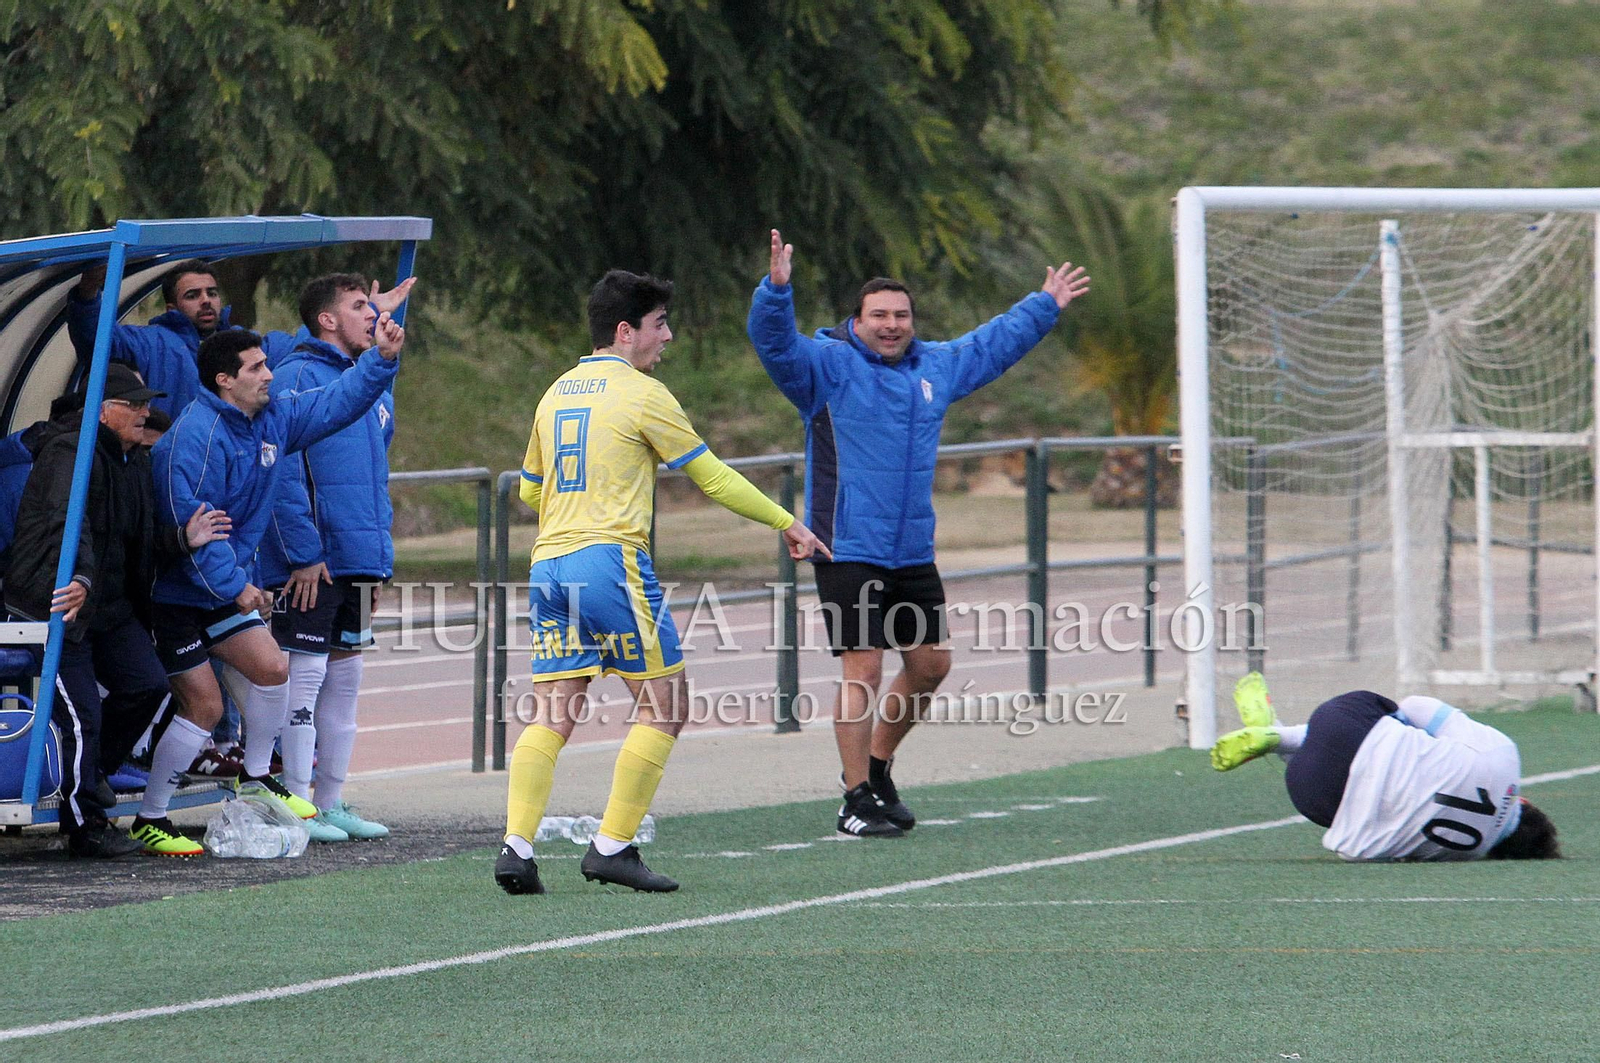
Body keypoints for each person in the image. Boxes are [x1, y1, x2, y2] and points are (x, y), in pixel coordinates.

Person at [747, 229, 1090, 838]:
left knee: (931, 665)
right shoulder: (825, 368)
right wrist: (776, 292)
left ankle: (878, 770)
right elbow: (774, 345)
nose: (891, 324)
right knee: (864, 670)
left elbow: (992, 345)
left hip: (910, 549)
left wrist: (1044, 304)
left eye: (901, 315)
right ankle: (853, 799)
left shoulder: (935, 367)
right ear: (857, 319)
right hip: (845, 543)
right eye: (879, 314)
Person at [495, 269, 828, 896]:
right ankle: (613, 846)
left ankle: (517, 847)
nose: (667, 337)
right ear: (626, 332)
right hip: (608, 562)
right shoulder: (644, 393)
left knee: (555, 711)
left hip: (549, 566)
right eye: (659, 325)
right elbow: (714, 478)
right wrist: (788, 522)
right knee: (666, 703)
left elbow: (530, 490)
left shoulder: (555, 392)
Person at [130, 319, 405, 856]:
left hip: (218, 589)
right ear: (223, 380)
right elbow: (197, 532)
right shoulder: (196, 439)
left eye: (265, 363)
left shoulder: (270, 418)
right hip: (173, 595)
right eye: (256, 368)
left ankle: (256, 775)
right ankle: (150, 817)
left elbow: (334, 403)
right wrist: (239, 588)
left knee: (273, 667)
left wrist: (381, 360)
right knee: (205, 708)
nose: (268, 375)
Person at [3, 365, 230, 857]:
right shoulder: (70, 452)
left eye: (146, 404)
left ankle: (90, 778)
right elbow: (67, 524)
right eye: (135, 404)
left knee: (147, 686)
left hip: (109, 608)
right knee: (84, 717)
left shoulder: (133, 461)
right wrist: (80, 578)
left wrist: (179, 541)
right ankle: (85, 826)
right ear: (103, 412)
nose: (146, 412)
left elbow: (133, 541)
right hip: (56, 606)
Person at [256, 274, 401, 843]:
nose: (372, 314)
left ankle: (332, 801)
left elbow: (373, 477)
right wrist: (302, 553)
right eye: (360, 306)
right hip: (315, 561)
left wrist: (377, 556)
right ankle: (294, 799)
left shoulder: (370, 383)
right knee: (305, 674)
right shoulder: (295, 377)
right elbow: (282, 474)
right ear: (326, 319)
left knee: (347, 678)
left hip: (360, 557)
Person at [1211, 672, 1560, 862]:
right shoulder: (1463, 854)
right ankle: (1277, 737)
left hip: (1343, 722)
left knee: (1405, 718)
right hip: (1313, 795)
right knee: (1364, 789)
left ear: (1525, 803)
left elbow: (1419, 706)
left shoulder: (1505, 760)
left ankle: (1277, 733)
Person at [67, 259, 414, 420]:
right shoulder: (152, 342)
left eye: (212, 292)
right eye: (193, 295)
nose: (206, 300)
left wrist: (363, 310)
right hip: (179, 462)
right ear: (172, 305)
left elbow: (311, 342)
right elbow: (95, 342)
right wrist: (87, 293)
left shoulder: (243, 341)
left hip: (237, 460)